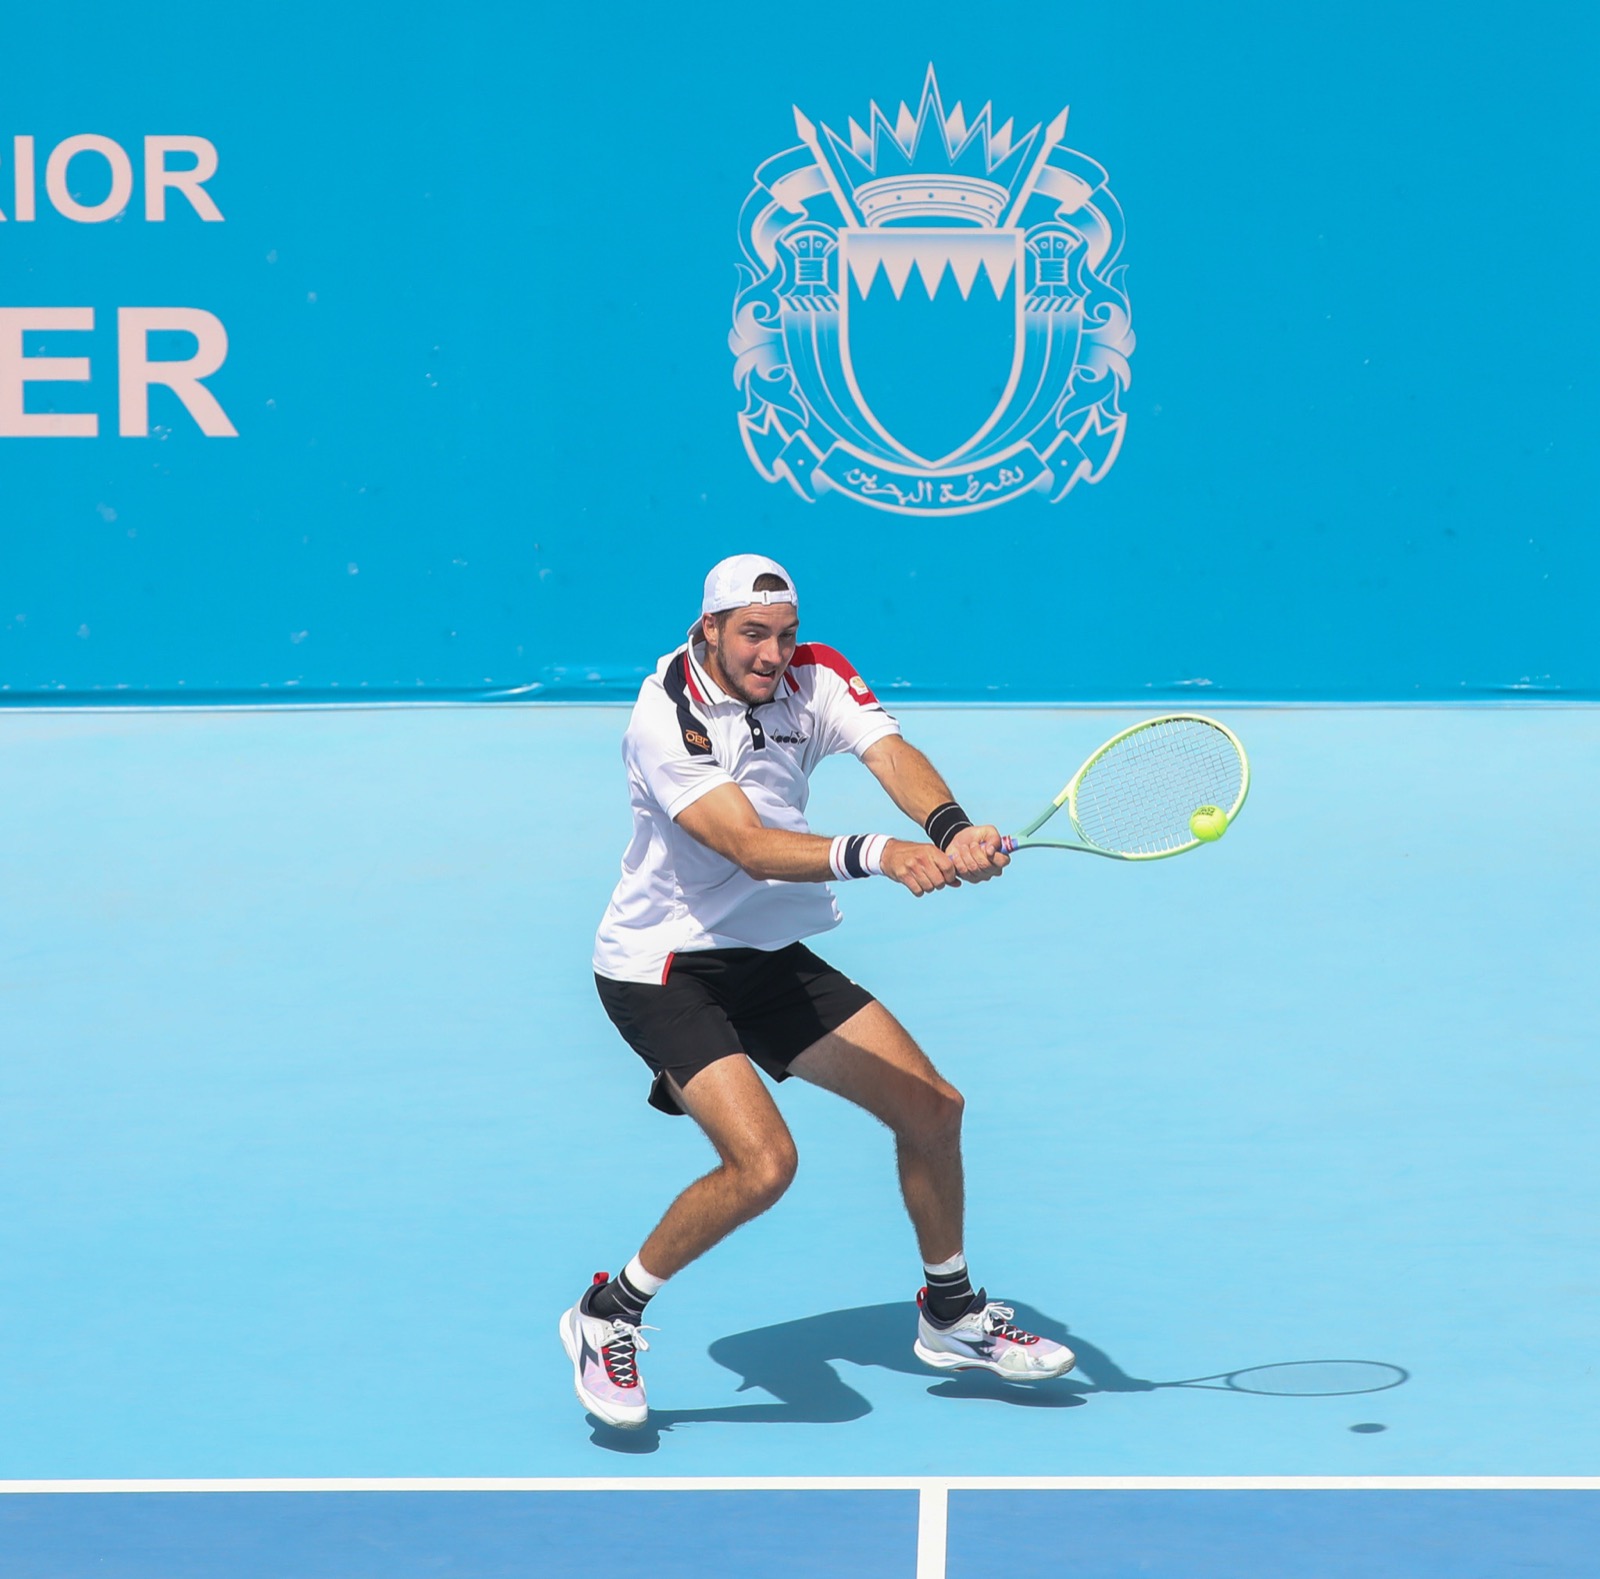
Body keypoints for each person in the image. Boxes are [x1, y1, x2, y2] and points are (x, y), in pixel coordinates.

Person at [560, 554, 1075, 1428]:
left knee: (933, 1107)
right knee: (764, 1164)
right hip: (664, 967)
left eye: (786, 633)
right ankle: (607, 1312)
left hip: (764, 953)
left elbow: (889, 752)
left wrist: (949, 827)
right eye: (752, 634)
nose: (773, 653)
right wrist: (886, 854)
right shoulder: (666, 717)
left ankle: (950, 1312)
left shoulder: (815, 674)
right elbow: (747, 845)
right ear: (708, 631)